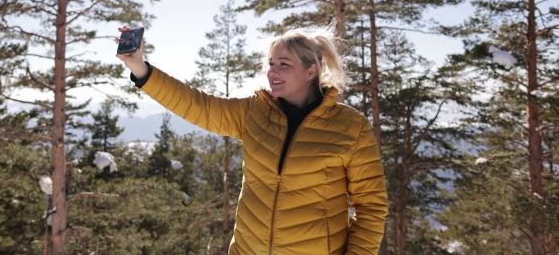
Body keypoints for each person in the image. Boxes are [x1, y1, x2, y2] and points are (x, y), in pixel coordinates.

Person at [116, 25, 387, 255]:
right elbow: (197, 105)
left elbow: (371, 207)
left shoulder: (350, 127)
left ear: (311, 71)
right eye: (271, 64)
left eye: (284, 65)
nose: (272, 72)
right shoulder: (254, 113)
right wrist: (141, 69)